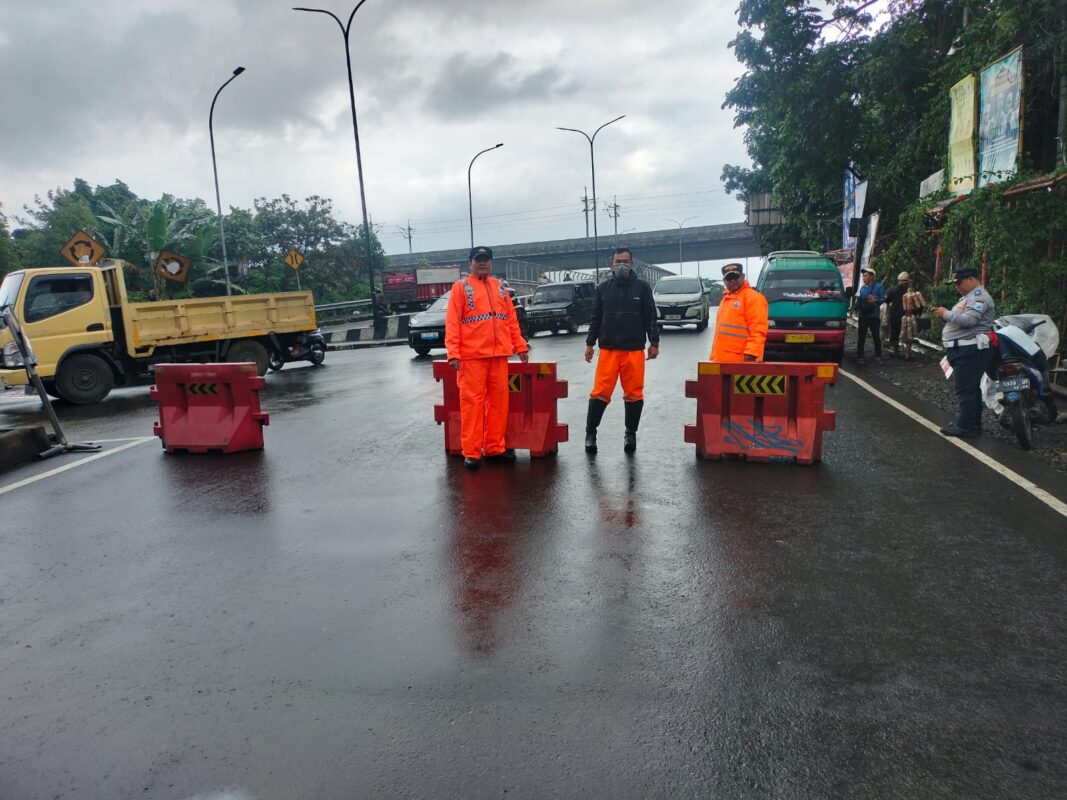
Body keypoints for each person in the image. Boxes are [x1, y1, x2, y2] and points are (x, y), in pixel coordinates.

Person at [445, 246, 530, 469]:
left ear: (491, 263)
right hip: (472, 357)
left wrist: (520, 346)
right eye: (478, 260)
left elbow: (510, 320)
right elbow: (453, 321)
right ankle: (472, 453)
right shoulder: (461, 288)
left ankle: (494, 448)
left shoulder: (500, 288)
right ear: (470, 264)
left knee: (498, 403)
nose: (482, 263)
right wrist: (453, 352)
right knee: (472, 404)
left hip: (499, 355)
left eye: (486, 260)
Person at [583, 247, 659, 454]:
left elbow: (651, 317)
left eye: (625, 261)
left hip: (633, 350)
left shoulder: (642, 288)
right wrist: (590, 343)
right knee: (600, 392)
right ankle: (590, 434)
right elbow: (596, 318)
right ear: (611, 264)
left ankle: (630, 434)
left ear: (632, 264)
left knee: (634, 394)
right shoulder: (603, 289)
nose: (622, 265)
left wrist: (654, 343)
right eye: (618, 261)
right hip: (608, 350)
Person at [934, 266, 995, 438]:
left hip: (970, 349)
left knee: (965, 388)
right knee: (970, 387)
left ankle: (966, 426)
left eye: (959, 282)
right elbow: (958, 320)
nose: (957, 286)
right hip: (963, 348)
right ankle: (971, 423)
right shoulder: (967, 298)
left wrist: (946, 313)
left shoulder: (979, 297)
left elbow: (968, 320)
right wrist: (945, 317)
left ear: (971, 279)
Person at [709, 262, 768, 362]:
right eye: (729, 278)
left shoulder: (753, 298)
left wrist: (752, 352)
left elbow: (758, 329)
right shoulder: (726, 299)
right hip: (721, 360)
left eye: (736, 277)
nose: (733, 281)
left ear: (743, 276)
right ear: (724, 281)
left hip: (741, 361)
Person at [854, 266, 885, 364]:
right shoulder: (862, 288)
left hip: (874, 316)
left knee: (876, 336)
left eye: (865, 276)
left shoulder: (879, 286)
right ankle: (860, 357)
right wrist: (854, 308)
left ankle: (878, 356)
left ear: (872, 277)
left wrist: (876, 300)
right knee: (861, 337)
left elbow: (883, 298)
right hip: (863, 316)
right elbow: (859, 300)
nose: (863, 278)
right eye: (863, 276)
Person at [900, 278, 926, 361]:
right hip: (908, 317)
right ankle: (908, 352)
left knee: (909, 335)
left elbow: (920, 305)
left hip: (910, 316)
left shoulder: (914, 294)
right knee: (908, 335)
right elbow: (920, 305)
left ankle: (908, 353)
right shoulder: (906, 295)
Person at [885, 271, 910, 355]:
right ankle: (907, 352)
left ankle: (895, 349)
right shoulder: (910, 291)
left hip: (895, 314)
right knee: (907, 333)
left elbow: (887, 300)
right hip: (907, 315)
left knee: (894, 332)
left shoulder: (893, 290)